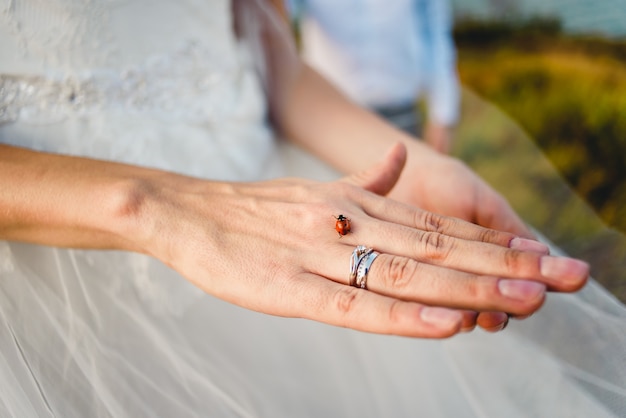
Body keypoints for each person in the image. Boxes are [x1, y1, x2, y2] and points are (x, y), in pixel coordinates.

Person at [0, 0, 624, 416]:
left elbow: (275, 66)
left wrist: (417, 164)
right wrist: (155, 204)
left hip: (291, 213)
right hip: (52, 281)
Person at [290, 0, 460, 153]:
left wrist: (442, 114)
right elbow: (278, 17)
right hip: (329, 116)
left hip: (399, 113)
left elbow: (435, 30)